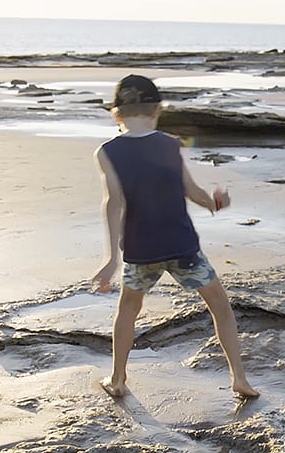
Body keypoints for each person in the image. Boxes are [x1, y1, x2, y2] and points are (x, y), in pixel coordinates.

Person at [91, 74, 258, 399]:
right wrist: (215, 203)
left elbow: (113, 203)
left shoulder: (107, 152)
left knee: (128, 310)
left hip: (141, 251)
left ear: (116, 113)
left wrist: (110, 259)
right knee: (220, 307)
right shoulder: (169, 143)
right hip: (182, 248)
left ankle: (118, 379)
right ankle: (239, 378)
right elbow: (192, 191)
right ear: (157, 110)